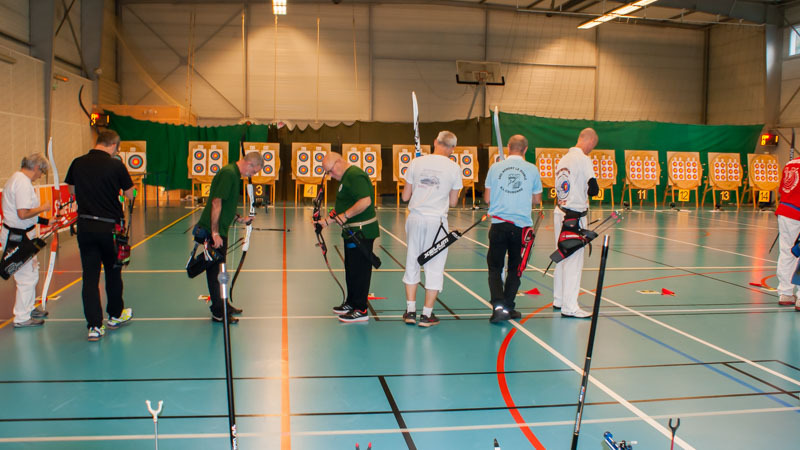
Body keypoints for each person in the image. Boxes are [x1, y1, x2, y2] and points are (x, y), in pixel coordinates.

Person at [65, 130, 135, 340]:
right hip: (110, 228)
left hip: (85, 226)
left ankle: (94, 326)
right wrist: (126, 192)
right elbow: (130, 194)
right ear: (113, 145)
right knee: (113, 273)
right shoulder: (116, 165)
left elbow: (71, 190)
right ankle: (115, 315)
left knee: (90, 277)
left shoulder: (78, 163)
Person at [193, 151, 264, 324]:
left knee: (220, 270)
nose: (252, 175)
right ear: (250, 164)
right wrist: (215, 233)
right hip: (214, 230)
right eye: (254, 171)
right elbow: (216, 202)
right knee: (215, 272)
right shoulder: (229, 174)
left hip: (219, 229)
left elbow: (226, 205)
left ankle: (224, 305)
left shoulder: (233, 174)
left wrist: (240, 218)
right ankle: (218, 312)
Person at [400, 131, 462, 327]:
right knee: (434, 267)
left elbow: (405, 197)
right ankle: (427, 315)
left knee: (412, 262)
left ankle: (410, 312)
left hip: (415, 219)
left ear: (435, 142)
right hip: (437, 222)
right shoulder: (454, 168)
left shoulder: (416, 162)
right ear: (453, 149)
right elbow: (453, 202)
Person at [484, 135, 543, 323]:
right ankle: (508, 306)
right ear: (525, 149)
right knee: (515, 268)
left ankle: (499, 307)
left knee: (495, 268)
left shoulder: (495, 168)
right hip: (521, 228)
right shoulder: (532, 169)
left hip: (499, 225)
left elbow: (487, 198)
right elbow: (537, 199)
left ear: (508, 147)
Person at [315, 152, 379, 323]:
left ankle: (361, 309)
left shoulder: (355, 175)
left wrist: (345, 216)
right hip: (352, 231)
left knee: (360, 271)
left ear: (338, 163)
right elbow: (344, 206)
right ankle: (352, 303)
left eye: (330, 171)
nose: (330, 175)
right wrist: (325, 222)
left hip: (362, 232)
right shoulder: (346, 178)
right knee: (351, 270)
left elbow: (365, 201)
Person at [552, 128, 600, 318]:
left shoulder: (563, 159)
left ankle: (559, 299)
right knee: (573, 260)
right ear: (590, 141)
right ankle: (570, 307)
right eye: (593, 146)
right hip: (575, 217)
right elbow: (593, 189)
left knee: (562, 255)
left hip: (560, 212)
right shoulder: (583, 159)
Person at [1, 154, 52, 328]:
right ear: (36, 167)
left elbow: (25, 214)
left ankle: (28, 308)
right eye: (42, 172)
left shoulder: (19, 179)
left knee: (32, 271)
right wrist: (43, 208)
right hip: (17, 237)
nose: (40, 175)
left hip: (22, 234)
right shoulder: (22, 182)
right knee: (26, 277)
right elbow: (22, 213)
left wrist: (46, 221)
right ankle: (22, 317)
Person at [775, 155, 800, 311]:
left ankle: (785, 293)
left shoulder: (791, 163)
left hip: (785, 211)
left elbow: (782, 188)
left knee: (787, 252)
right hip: (797, 211)